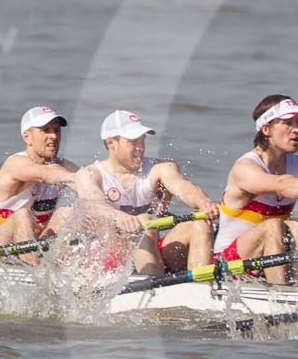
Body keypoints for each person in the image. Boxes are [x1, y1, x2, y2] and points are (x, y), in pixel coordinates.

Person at [73, 110, 220, 276]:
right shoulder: (89, 174)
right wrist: (118, 217)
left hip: (150, 253)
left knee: (199, 223)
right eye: (133, 141)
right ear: (111, 143)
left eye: (142, 140)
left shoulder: (161, 168)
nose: (141, 148)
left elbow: (183, 187)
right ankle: (153, 287)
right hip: (108, 260)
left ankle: (201, 288)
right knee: (144, 220)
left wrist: (203, 202)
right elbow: (95, 205)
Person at [217, 95, 298, 284]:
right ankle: (280, 297)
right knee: (273, 225)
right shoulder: (245, 168)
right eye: (288, 123)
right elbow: (283, 185)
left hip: (267, 260)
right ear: (266, 129)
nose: (296, 129)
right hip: (227, 264)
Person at [0, 106, 80, 258]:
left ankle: (63, 267)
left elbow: (92, 189)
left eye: (56, 130)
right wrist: (78, 179)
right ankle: (34, 270)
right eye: (45, 130)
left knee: (68, 212)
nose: (53, 136)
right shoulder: (16, 164)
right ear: (27, 137)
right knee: (23, 215)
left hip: (34, 247)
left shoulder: (62, 167)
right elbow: (46, 173)